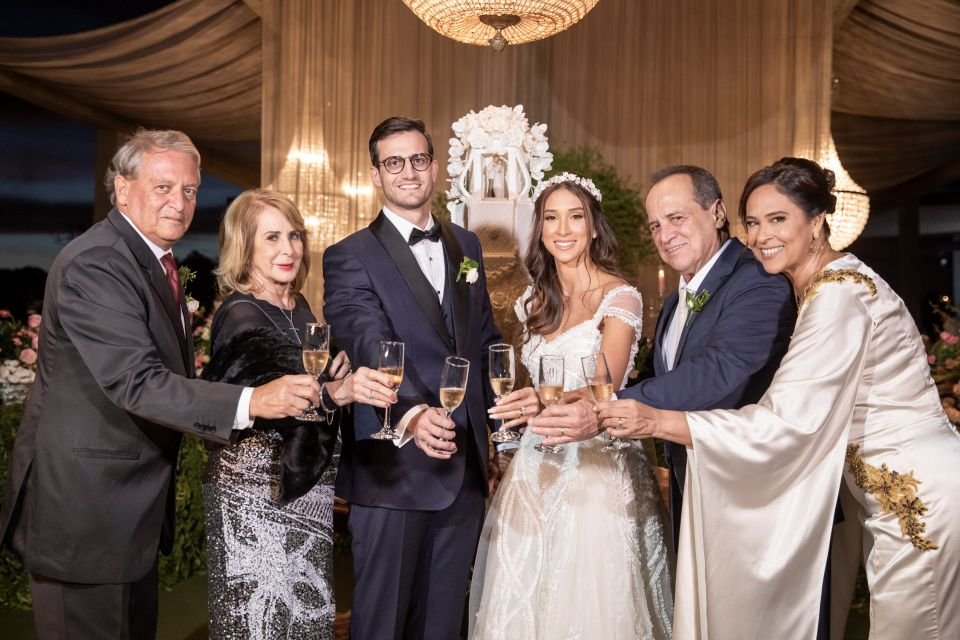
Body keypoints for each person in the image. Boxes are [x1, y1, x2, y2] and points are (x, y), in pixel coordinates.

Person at [598, 157, 960, 639]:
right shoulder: (819, 287)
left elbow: (784, 421)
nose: (761, 235)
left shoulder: (838, 296)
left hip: (915, 496)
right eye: (754, 222)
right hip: (885, 491)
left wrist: (654, 421)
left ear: (816, 221)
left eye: (778, 219)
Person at [0, 130, 320, 639]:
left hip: (124, 516)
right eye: (163, 187)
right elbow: (138, 382)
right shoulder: (97, 262)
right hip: (86, 515)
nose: (179, 202)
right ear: (123, 189)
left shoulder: (153, 262)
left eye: (190, 190)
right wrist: (252, 399)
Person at [529, 165, 795, 553]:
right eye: (655, 225)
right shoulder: (675, 301)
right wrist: (560, 402)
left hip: (751, 491)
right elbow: (654, 376)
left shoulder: (757, 280)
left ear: (717, 213)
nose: (665, 235)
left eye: (676, 218)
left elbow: (719, 371)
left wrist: (607, 405)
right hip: (694, 481)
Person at [469, 172, 673, 639]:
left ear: (594, 226)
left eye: (575, 217)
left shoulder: (619, 296)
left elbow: (606, 383)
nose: (563, 229)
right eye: (551, 218)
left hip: (597, 471)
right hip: (535, 465)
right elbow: (520, 381)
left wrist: (542, 399)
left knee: (591, 601)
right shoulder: (531, 301)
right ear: (538, 229)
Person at [322, 116, 503, 639]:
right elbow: (367, 341)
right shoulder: (349, 255)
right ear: (377, 174)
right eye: (393, 162)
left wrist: (504, 419)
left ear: (435, 168)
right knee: (382, 625)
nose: (408, 172)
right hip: (392, 473)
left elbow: (483, 338)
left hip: (464, 469)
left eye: (418, 160)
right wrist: (413, 412)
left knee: (443, 626)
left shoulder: (467, 246)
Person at [200, 189, 396, 638]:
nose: (287, 249)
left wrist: (335, 375)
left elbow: (311, 381)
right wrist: (334, 392)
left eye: (293, 236)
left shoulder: (299, 306)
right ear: (243, 247)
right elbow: (268, 397)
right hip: (253, 493)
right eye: (271, 238)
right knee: (258, 623)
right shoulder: (241, 313)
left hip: (305, 487)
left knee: (306, 619)